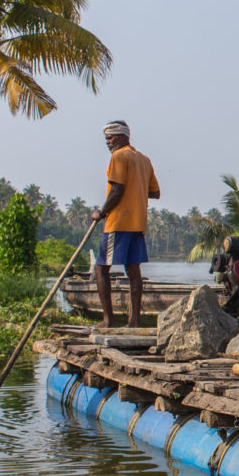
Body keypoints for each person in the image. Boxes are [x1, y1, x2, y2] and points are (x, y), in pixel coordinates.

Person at [91, 120, 161, 328]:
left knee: (100, 268)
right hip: (138, 223)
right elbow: (154, 192)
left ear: (122, 136)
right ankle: (135, 322)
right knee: (134, 271)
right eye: (106, 138)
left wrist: (101, 212)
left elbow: (117, 190)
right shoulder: (143, 160)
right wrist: (136, 188)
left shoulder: (119, 156)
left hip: (119, 221)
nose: (108, 142)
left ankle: (108, 320)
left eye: (110, 137)